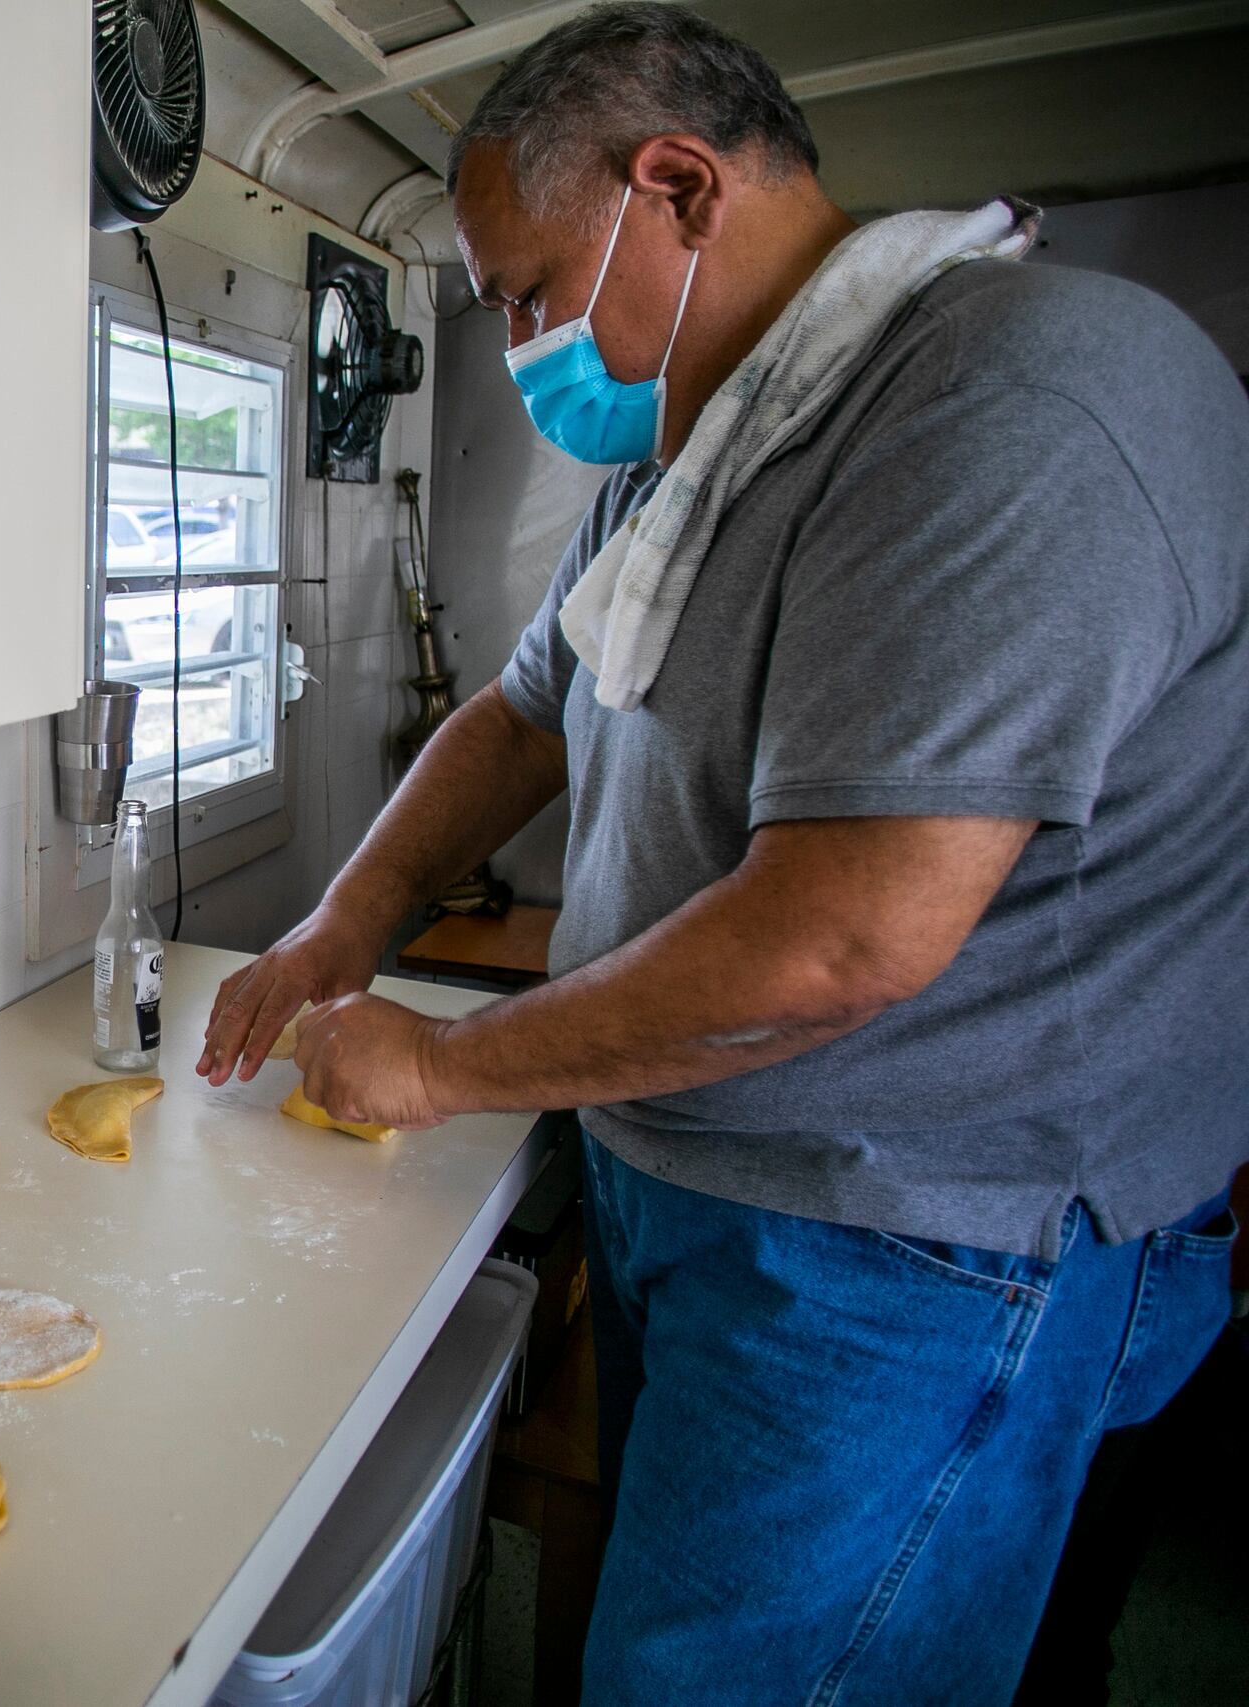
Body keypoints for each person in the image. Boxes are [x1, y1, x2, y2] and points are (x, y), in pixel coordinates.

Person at [193, 5, 1248, 1702]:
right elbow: (522, 719)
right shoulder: (693, 455)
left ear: (673, 187)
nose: (527, 345)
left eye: (529, 293)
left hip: (915, 1248)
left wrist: (447, 1066)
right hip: (701, 1178)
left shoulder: (1019, 397)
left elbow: (848, 941)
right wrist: (346, 920)